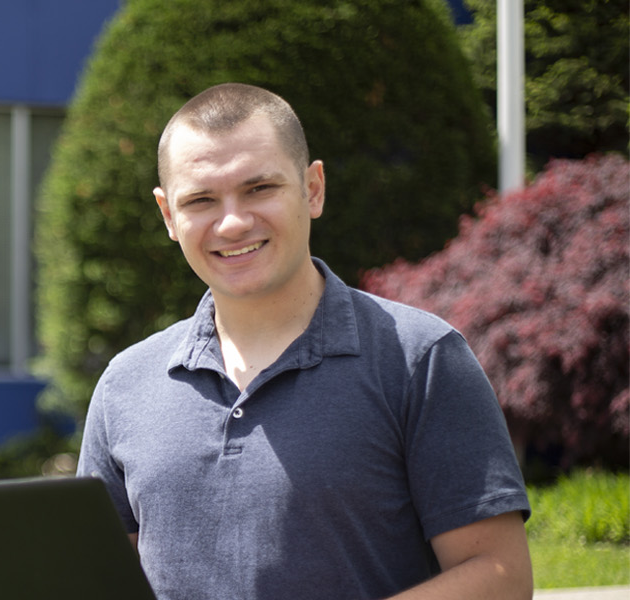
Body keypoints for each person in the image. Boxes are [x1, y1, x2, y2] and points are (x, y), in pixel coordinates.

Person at [76, 83, 532, 599]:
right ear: (168, 217)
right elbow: (99, 578)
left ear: (312, 189)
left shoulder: (419, 358)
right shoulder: (125, 385)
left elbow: (501, 577)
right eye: (201, 199)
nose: (232, 222)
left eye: (259, 189)